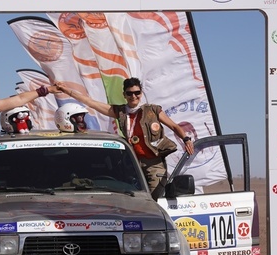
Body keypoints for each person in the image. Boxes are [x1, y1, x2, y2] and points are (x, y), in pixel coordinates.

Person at [55, 77, 193, 199]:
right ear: (124, 95)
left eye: (137, 93)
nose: (134, 96)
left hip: (153, 163)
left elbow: (174, 126)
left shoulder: (153, 110)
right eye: (129, 93)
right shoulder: (120, 112)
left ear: (141, 93)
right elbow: (91, 103)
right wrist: (67, 91)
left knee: (154, 199)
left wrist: (186, 139)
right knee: (132, 199)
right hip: (131, 163)